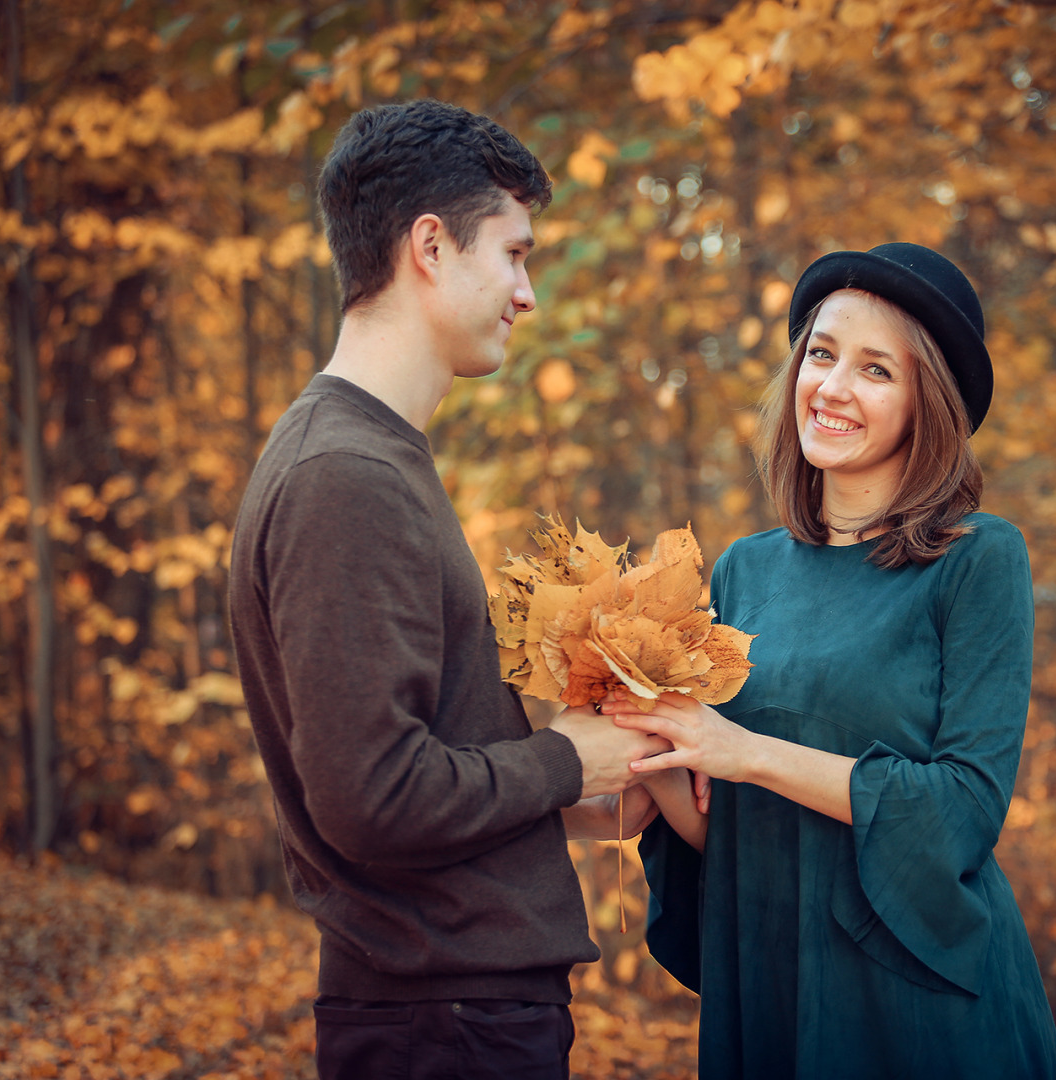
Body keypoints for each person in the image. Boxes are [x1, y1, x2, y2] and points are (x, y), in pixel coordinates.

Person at [228, 99, 666, 1080]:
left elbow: (417, 766)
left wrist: (583, 794)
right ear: (431, 246)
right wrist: (563, 760)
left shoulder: (368, 458)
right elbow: (371, 799)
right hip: (445, 1024)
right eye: (515, 255)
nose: (528, 294)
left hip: (451, 1008)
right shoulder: (346, 476)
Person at [608, 243, 1056, 1078]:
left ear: (926, 404)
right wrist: (659, 735)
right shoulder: (742, 570)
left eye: (876, 370)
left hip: (916, 1004)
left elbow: (964, 807)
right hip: (769, 983)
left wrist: (745, 751)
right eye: (821, 354)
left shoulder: (977, 560)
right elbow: (727, 828)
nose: (833, 387)